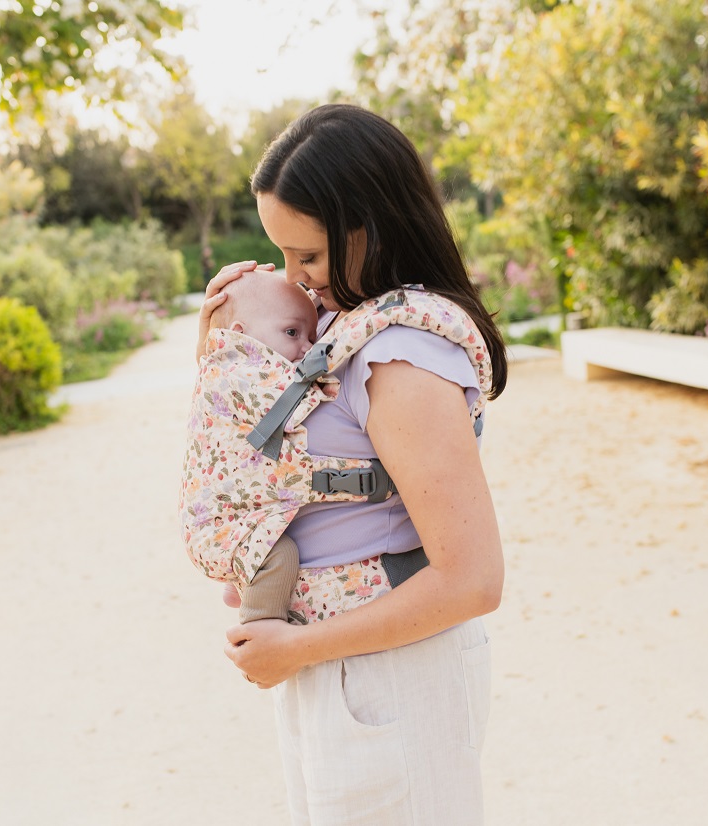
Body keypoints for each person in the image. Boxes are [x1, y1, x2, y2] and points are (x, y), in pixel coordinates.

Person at [197, 104, 509, 825]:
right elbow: (253, 458)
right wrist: (221, 349)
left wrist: (297, 647)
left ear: (375, 224)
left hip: (387, 671)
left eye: (309, 255)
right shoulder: (345, 325)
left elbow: (472, 579)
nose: (296, 279)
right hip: (338, 662)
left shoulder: (402, 358)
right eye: (282, 256)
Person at [192, 269, 319, 623]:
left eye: (311, 335)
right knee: (281, 556)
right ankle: (259, 630)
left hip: (234, 512)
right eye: (292, 332)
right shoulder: (245, 372)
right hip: (225, 520)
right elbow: (291, 409)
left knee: (272, 531)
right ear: (240, 336)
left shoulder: (224, 365)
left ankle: (241, 576)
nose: (307, 348)